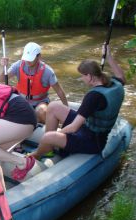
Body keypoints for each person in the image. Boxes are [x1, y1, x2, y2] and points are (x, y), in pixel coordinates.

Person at [26, 45, 125, 175]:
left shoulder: (93, 96)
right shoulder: (116, 84)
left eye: (82, 77)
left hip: (93, 141)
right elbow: (121, 76)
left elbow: (73, 128)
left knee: (48, 136)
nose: (82, 80)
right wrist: (109, 57)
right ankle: (49, 148)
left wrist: (57, 135)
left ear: (89, 76)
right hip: (88, 126)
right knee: (54, 106)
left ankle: (37, 154)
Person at [0, 42, 68, 123]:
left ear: (39, 57)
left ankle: (45, 126)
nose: (28, 61)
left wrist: (66, 109)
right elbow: (1, 79)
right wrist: (3, 66)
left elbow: (59, 91)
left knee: (41, 111)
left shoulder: (47, 71)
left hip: (40, 102)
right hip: (21, 101)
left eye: (31, 58)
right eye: (27, 57)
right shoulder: (18, 65)